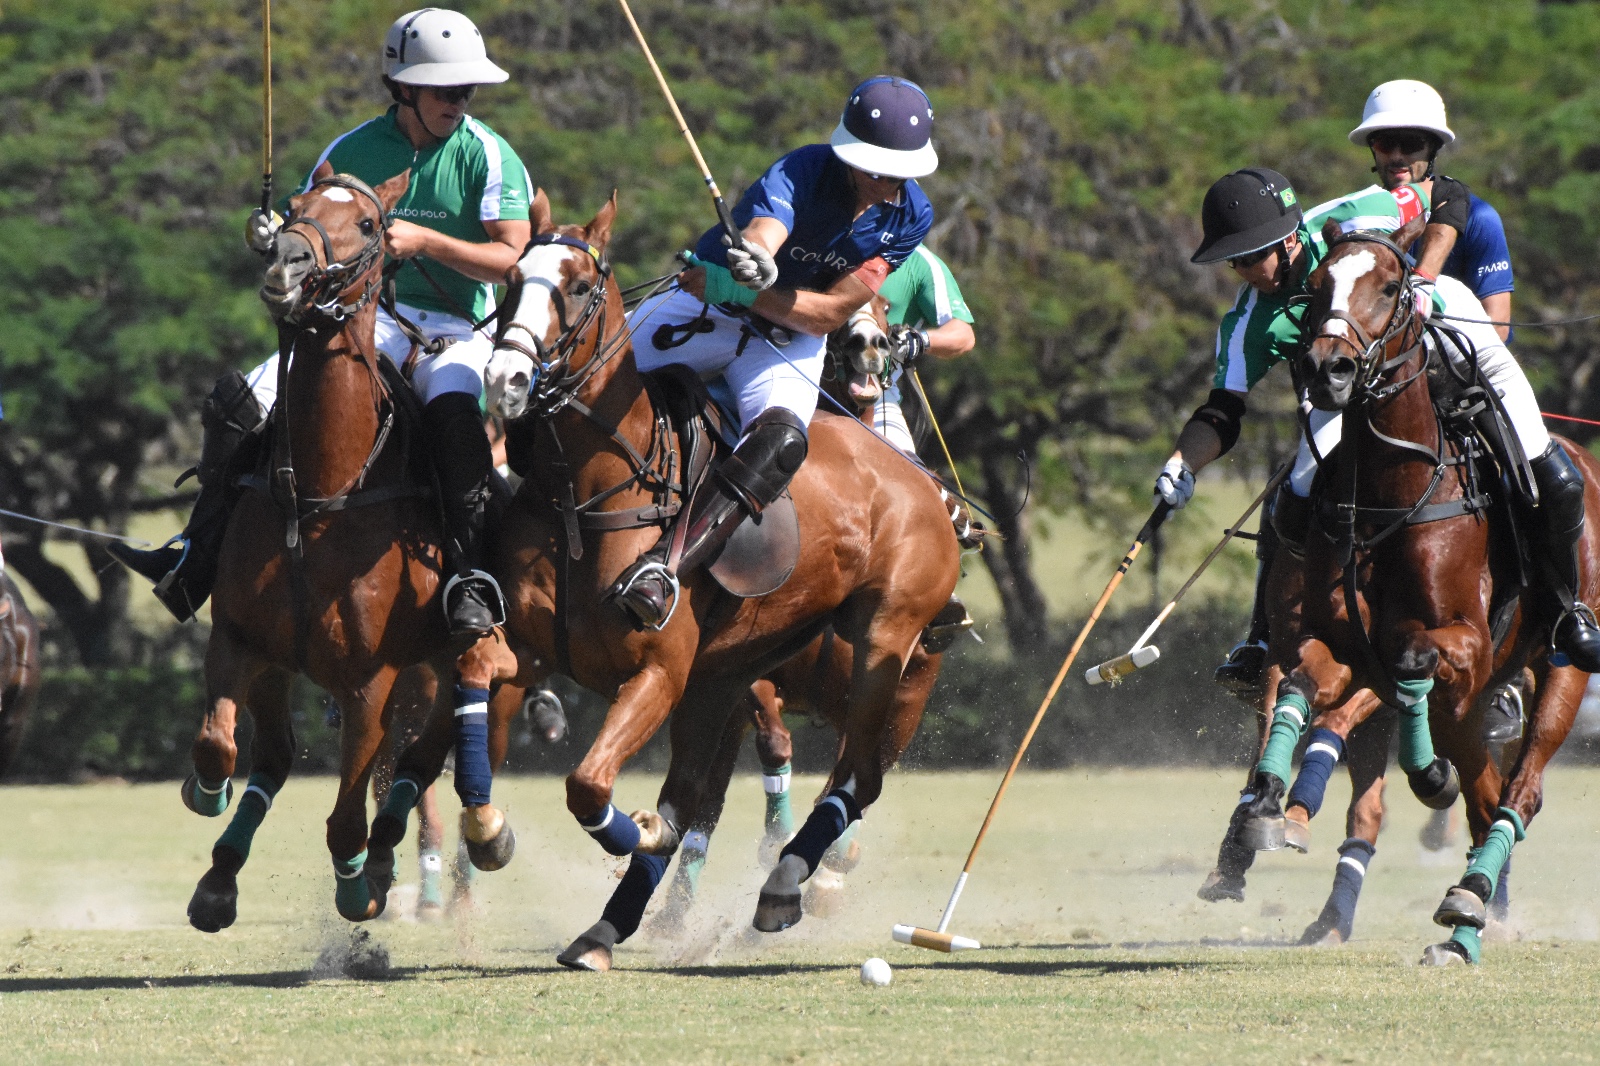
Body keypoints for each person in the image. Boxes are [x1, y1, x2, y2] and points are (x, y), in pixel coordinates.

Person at [109, 9, 533, 638]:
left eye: (467, 90)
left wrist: (425, 242)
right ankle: (195, 556)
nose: (460, 101)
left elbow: (511, 260)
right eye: (446, 89)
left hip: (453, 332)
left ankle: (472, 576)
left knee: (452, 421)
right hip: (369, 319)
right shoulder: (351, 149)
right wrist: (271, 234)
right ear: (405, 88)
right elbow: (304, 231)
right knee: (241, 402)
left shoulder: (488, 155)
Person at [1159, 167, 1600, 689]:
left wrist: (1425, 278)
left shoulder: (1358, 212)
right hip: (1352, 385)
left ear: (1288, 237)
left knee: (1552, 473)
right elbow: (1221, 411)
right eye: (1235, 261)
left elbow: (1450, 196)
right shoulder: (1248, 323)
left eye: (1254, 254)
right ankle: (1277, 633)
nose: (1246, 270)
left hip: (1449, 332)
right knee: (1295, 497)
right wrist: (1183, 462)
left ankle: (1568, 609)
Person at [611, 76, 937, 630]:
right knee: (579, 380)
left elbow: (832, 314)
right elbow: (765, 230)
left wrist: (747, 290)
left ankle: (664, 569)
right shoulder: (803, 169)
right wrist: (756, 258)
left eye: (901, 172)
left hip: (780, 335)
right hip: (700, 307)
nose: (890, 184)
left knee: (784, 439)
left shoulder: (912, 216)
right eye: (878, 169)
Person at [1352, 80, 1515, 343]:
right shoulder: (1360, 220)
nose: (1396, 156)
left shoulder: (1479, 219)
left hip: (1464, 370)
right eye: (1384, 143)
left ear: (1433, 149)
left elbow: (1498, 327)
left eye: (1410, 144)